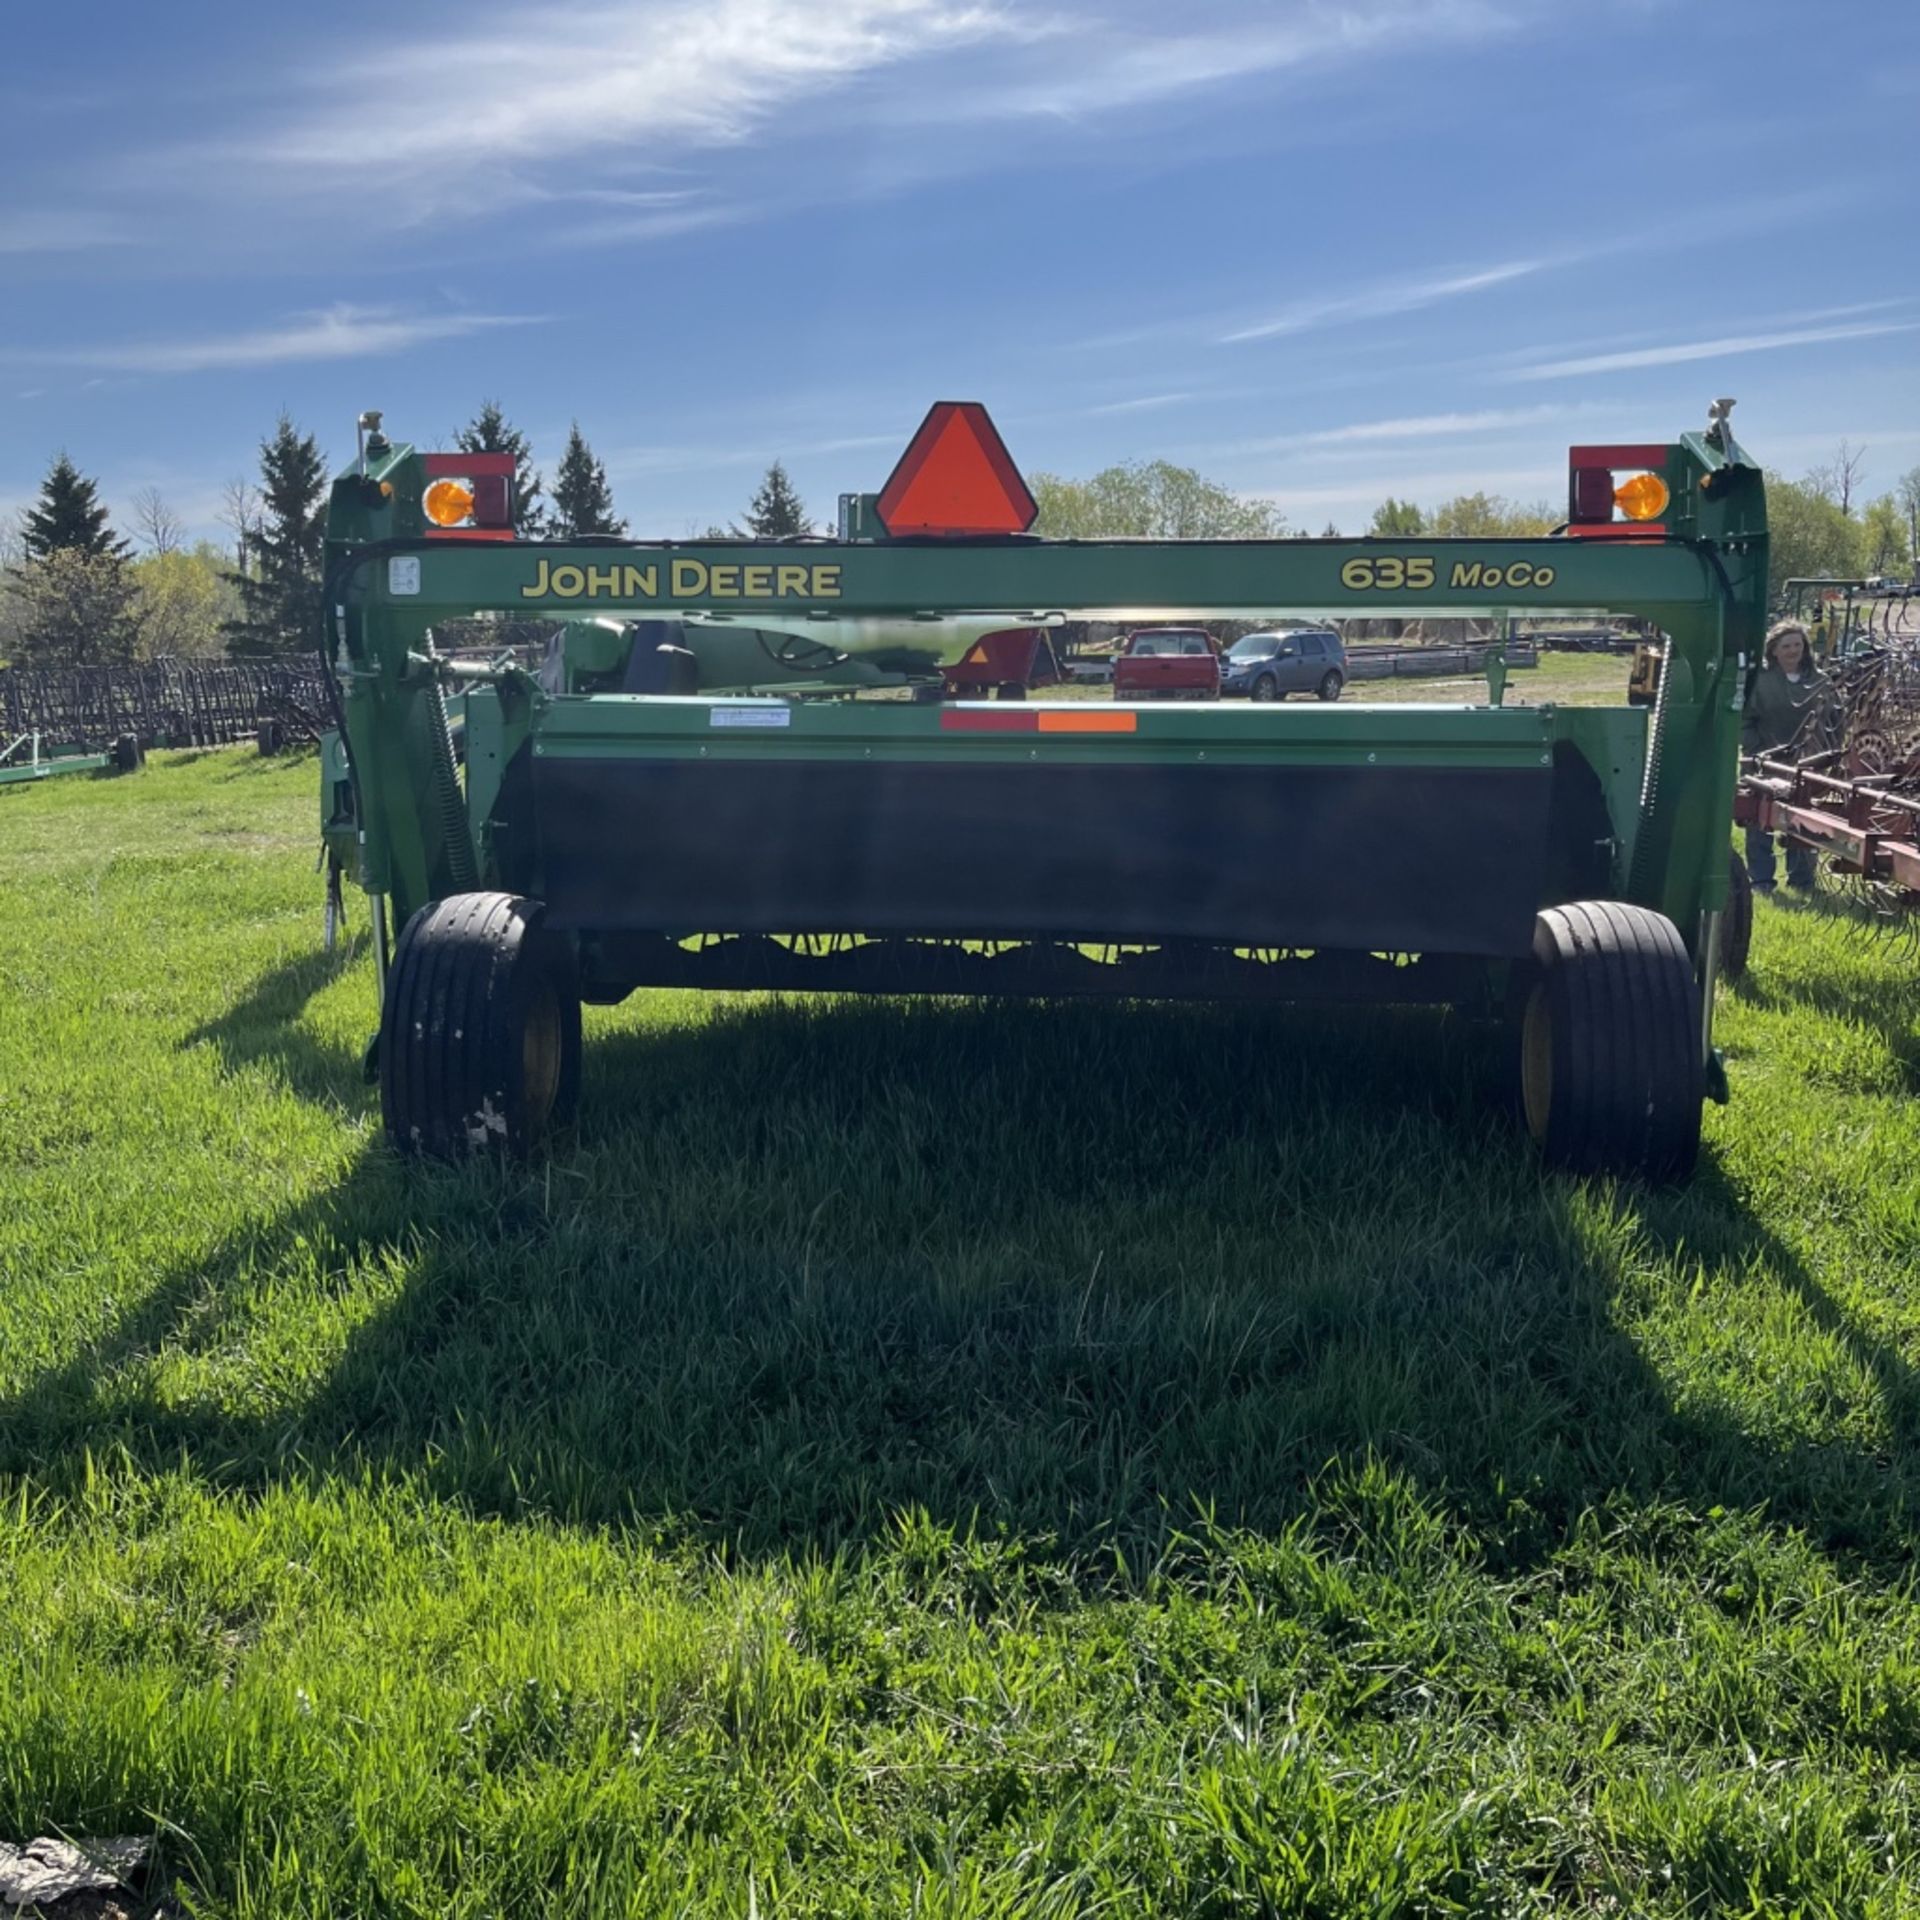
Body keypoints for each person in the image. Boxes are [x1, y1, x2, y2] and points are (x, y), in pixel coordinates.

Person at [1740, 620, 1825, 892]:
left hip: (1808, 764)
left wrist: (1824, 754)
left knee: (1805, 823)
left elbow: (1835, 720)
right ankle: (1762, 880)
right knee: (1760, 822)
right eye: (1786, 646)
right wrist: (1755, 750)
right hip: (1764, 761)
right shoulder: (1760, 683)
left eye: (1797, 645)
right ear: (1774, 651)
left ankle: (1802, 880)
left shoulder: (1820, 681)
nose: (1792, 651)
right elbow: (1744, 721)